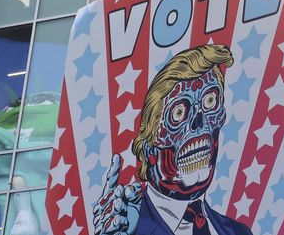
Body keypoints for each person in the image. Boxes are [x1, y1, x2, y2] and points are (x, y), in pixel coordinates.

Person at [92, 45, 252, 235]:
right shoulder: (127, 228)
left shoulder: (237, 231)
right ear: (148, 147)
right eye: (178, 113)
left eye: (210, 102)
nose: (198, 123)